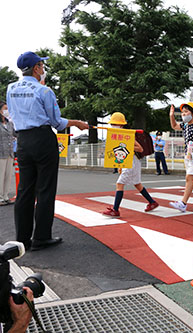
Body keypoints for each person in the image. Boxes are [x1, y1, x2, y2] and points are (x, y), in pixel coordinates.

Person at [7, 51, 89, 251]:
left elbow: (12, 116)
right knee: (45, 189)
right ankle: (42, 237)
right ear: (36, 68)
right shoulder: (45, 91)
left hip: (23, 141)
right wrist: (77, 122)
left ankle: (22, 238)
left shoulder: (10, 89)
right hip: (43, 139)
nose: (43, 70)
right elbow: (56, 122)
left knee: (25, 189)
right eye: (42, 66)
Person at [102, 112, 159, 217]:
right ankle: (152, 202)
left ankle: (115, 210)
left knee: (120, 184)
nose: (113, 126)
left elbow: (140, 148)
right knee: (137, 184)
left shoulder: (127, 135)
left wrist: (127, 146)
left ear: (121, 125)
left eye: (115, 124)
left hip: (132, 162)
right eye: (112, 124)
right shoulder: (117, 135)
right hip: (129, 162)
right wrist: (120, 166)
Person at [0, 101, 15, 205]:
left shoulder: (10, 123)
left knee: (8, 175)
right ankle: (0, 197)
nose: (7, 111)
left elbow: (15, 133)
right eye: (5, 108)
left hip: (9, 152)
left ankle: (5, 196)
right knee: (0, 175)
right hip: (0, 153)